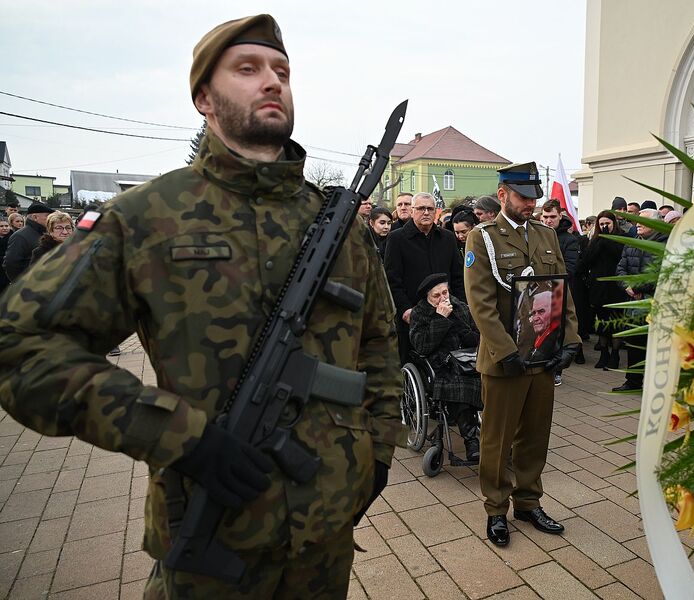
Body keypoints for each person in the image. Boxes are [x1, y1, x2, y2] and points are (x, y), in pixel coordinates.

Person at [0, 15, 404, 599]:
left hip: (326, 534)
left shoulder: (337, 224)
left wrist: (379, 453)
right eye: (247, 69)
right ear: (203, 99)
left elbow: (380, 346)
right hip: (211, 538)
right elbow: (22, 348)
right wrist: (182, 437)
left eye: (281, 71)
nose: (272, 82)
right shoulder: (145, 217)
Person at [464, 161, 580, 548]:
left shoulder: (546, 235)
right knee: (498, 440)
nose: (530, 205)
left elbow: (562, 292)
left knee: (535, 434)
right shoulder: (483, 238)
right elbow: (480, 303)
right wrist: (506, 350)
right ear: (503, 195)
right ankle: (496, 509)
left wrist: (571, 340)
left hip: (542, 353)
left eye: (533, 198)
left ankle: (528, 502)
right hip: (505, 358)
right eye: (522, 197)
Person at [384, 191, 465, 363]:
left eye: (430, 209)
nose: (426, 212)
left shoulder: (447, 238)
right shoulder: (396, 239)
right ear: (412, 211)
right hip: (413, 315)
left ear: (436, 211)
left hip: (447, 311)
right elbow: (392, 280)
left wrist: (460, 306)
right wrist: (405, 309)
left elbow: (458, 276)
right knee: (413, 362)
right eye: (421, 208)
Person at [409, 272, 482, 461]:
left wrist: (458, 324)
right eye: (436, 295)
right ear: (427, 297)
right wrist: (440, 320)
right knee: (463, 385)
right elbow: (421, 346)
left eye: (445, 293)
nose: (443, 298)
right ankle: (471, 441)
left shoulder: (460, 307)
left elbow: (477, 338)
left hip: (468, 360)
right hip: (440, 366)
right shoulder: (420, 314)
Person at [612, 208, 666, 392]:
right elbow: (620, 269)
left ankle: (655, 385)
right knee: (634, 343)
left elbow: (662, 274)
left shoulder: (665, 245)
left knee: (655, 345)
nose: (638, 224)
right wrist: (627, 286)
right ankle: (633, 382)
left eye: (643, 221)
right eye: (637, 221)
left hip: (655, 304)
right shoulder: (632, 243)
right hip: (634, 304)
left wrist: (638, 288)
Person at [577, 210, 629, 369]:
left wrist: (607, 240)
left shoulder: (623, 238)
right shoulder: (595, 240)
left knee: (616, 323)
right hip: (599, 287)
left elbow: (620, 255)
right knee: (602, 322)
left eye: (607, 224)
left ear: (614, 223)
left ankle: (615, 354)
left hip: (616, 287)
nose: (605, 227)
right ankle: (604, 353)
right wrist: (599, 240)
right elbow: (587, 260)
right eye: (601, 224)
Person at [540, 200, 585, 376]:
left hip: (559, 293)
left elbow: (569, 269)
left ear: (560, 216)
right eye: (545, 216)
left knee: (557, 333)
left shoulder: (569, 240)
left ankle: (557, 370)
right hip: (538, 294)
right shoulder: (537, 235)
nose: (548, 220)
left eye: (552, 217)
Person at [3, 201, 52, 281]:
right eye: (47, 216)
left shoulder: (45, 233)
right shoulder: (20, 236)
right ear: (35, 217)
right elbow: (11, 263)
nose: (50, 219)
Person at [0, 219, 11, 294]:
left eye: (6, 226)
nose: (4, 228)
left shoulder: (14, 237)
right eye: (1, 226)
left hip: (7, 271)